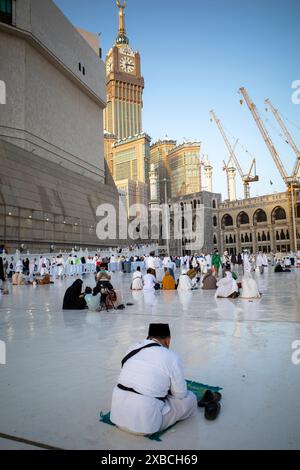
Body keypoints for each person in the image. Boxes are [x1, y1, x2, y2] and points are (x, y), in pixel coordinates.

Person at [110, 323, 198, 435]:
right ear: (167, 340)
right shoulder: (171, 357)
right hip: (145, 426)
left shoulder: (132, 348)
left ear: (149, 337)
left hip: (117, 417)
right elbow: (180, 395)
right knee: (190, 399)